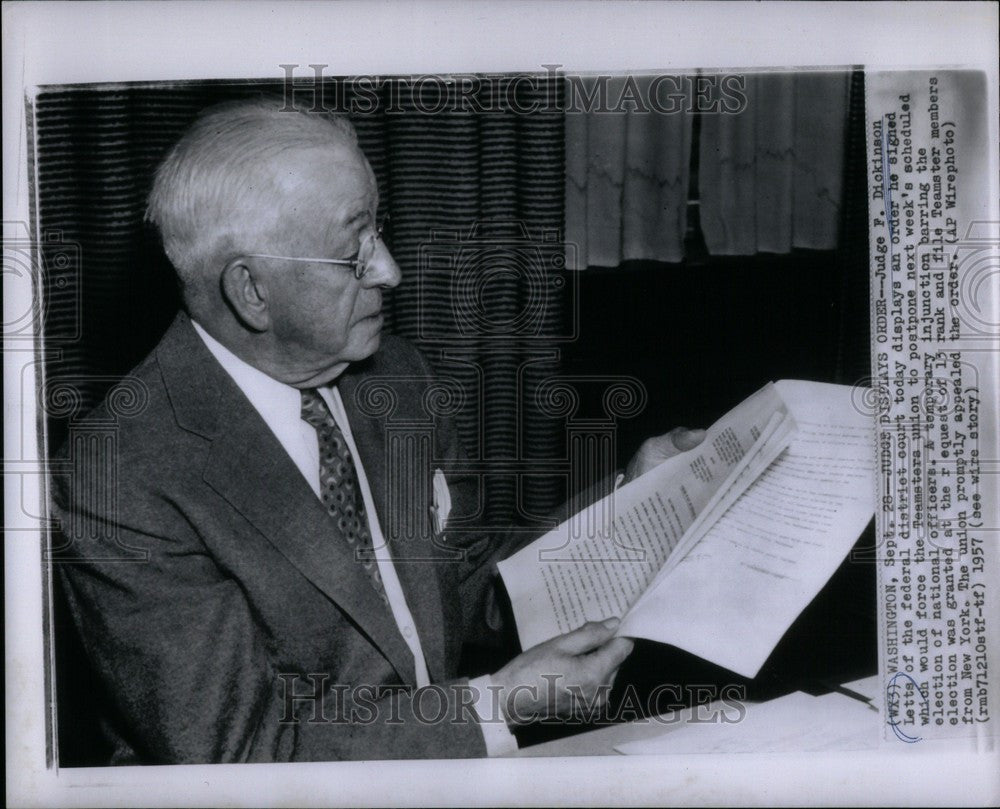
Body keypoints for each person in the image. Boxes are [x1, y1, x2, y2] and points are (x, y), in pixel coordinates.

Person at [51, 98, 705, 764]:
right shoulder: (123, 475)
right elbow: (243, 753)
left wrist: (635, 502)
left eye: (378, 229)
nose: (389, 270)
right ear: (251, 291)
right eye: (353, 252)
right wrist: (498, 703)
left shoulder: (393, 375)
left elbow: (479, 582)